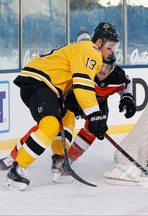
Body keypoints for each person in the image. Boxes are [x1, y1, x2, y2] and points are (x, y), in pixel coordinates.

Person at [2, 22, 120, 191]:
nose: (112, 51)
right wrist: (94, 114)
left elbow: (74, 84)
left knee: (67, 117)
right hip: (41, 83)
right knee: (49, 125)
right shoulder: (92, 51)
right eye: (110, 46)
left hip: (47, 85)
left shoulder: (84, 49)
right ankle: (17, 169)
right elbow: (83, 83)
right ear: (99, 42)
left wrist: (81, 107)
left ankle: (58, 158)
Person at [0, 53, 136, 183]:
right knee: (51, 124)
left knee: (94, 130)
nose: (103, 71)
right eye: (102, 65)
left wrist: (127, 98)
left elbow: (127, 84)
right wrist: (74, 103)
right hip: (73, 99)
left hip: (98, 103)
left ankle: (66, 161)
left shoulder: (117, 75)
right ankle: (14, 156)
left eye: (108, 67)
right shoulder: (83, 68)